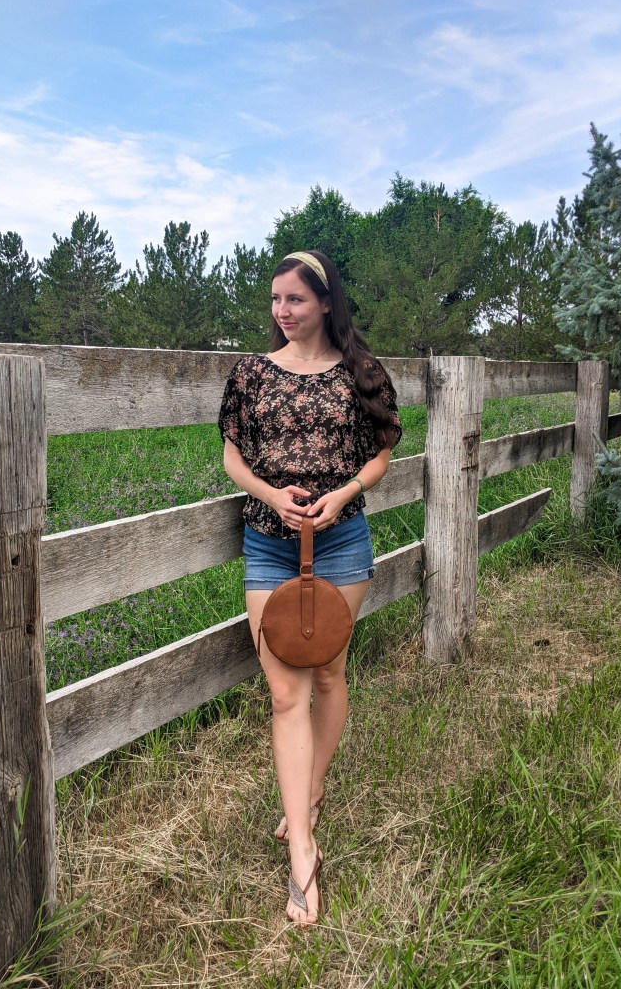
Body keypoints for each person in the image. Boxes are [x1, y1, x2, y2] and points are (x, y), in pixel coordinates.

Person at [218, 250, 401, 927]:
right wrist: (272, 494)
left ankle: (311, 791)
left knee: (328, 672)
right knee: (284, 690)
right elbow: (232, 454)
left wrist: (344, 492)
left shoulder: (361, 372)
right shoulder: (252, 374)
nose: (281, 312)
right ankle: (303, 846)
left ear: (326, 303)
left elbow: (382, 450)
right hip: (270, 544)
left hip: (343, 542)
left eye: (294, 300)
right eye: (274, 300)